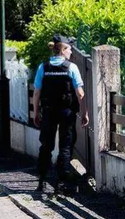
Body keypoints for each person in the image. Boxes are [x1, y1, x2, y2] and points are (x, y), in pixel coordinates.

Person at [32, 34, 89, 193]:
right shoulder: (71, 67)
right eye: (70, 49)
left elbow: (36, 93)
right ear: (63, 50)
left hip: (49, 111)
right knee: (65, 146)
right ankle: (62, 183)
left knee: (46, 146)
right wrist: (84, 113)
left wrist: (36, 112)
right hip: (66, 112)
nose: (71, 52)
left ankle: (42, 181)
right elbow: (81, 94)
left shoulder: (43, 67)